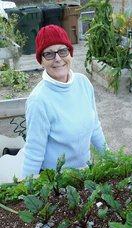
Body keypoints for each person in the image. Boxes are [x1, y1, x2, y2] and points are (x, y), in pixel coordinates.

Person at [22, 24, 107, 178]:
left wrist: (110, 159)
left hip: (85, 173)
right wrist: (26, 190)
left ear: (70, 53)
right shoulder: (38, 100)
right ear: (40, 61)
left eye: (62, 51)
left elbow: (94, 127)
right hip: (55, 182)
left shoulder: (83, 83)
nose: (58, 58)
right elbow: (34, 151)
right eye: (49, 54)